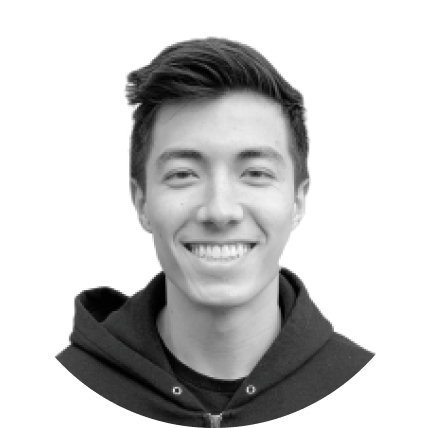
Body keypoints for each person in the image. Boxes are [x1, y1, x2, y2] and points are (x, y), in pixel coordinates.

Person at [56, 37, 374, 427]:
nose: (220, 211)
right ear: (141, 203)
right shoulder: (49, 397)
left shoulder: (380, 397)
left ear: (297, 201)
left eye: (255, 173)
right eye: (183, 175)